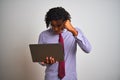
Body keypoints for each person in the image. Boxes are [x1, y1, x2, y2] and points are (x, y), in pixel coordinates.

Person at [38, 7, 92, 80]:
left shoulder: (75, 32)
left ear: (66, 22)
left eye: (59, 25)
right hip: (51, 77)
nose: (56, 29)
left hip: (70, 78)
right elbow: (40, 59)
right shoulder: (44, 35)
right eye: (53, 25)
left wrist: (73, 31)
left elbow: (88, 49)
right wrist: (44, 61)